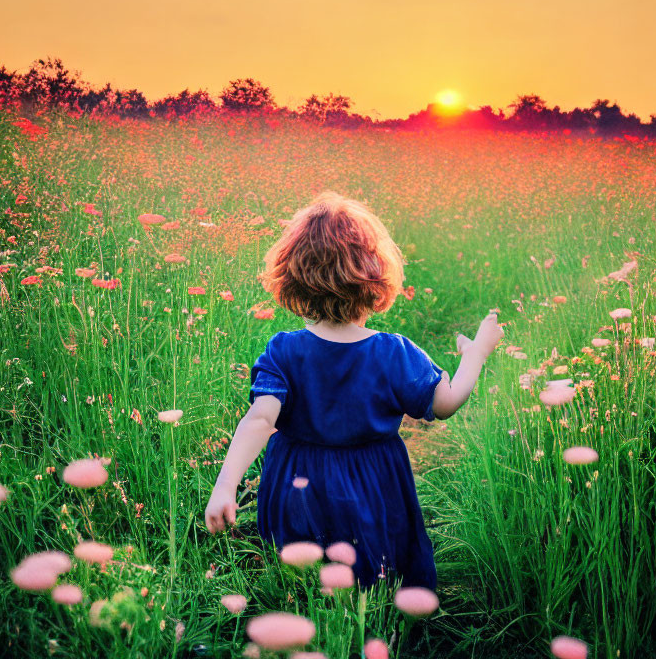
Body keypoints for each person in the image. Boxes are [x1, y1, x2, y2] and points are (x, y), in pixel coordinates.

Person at [204, 190, 504, 591]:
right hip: (372, 479)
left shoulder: (284, 350)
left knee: (303, 580)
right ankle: (373, 626)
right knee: (373, 568)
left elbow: (260, 419)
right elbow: (445, 404)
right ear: (375, 276)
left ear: (294, 277)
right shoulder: (392, 352)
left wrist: (226, 485)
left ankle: (308, 621)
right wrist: (477, 354)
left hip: (298, 481)